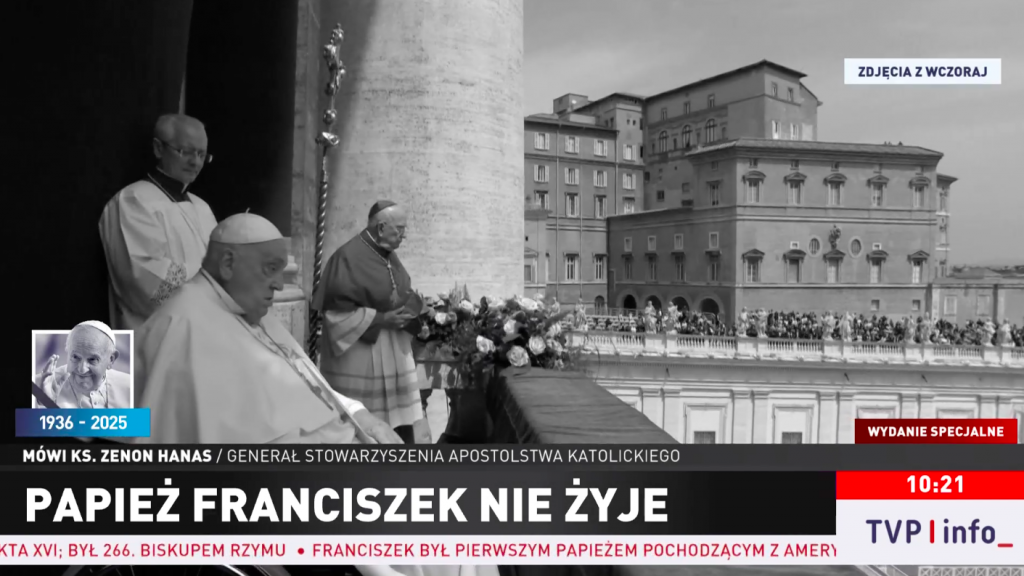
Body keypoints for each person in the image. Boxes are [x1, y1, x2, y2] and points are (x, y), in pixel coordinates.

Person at [133, 213, 402, 444]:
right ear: (228, 264)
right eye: (270, 269)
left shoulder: (251, 309)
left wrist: (358, 414)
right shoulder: (182, 325)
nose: (280, 285)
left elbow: (306, 386)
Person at [312, 201, 431, 444]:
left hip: (394, 352)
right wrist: (381, 319)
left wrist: (416, 312)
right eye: (399, 229)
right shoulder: (347, 257)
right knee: (366, 430)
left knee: (400, 425)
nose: (404, 236)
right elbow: (335, 315)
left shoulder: (388, 256)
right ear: (381, 228)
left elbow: (398, 292)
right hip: (362, 355)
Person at [99, 114, 219, 330]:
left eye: (202, 155)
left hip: (206, 327)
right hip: (158, 334)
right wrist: (216, 279)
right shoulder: (134, 200)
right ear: (158, 148)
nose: (195, 162)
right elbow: (144, 280)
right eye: (185, 152)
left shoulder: (202, 207)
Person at [33, 321, 131, 409]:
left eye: (92, 359)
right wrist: (45, 402)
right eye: (75, 357)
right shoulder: (38, 386)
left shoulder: (130, 386)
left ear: (111, 359)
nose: (82, 369)